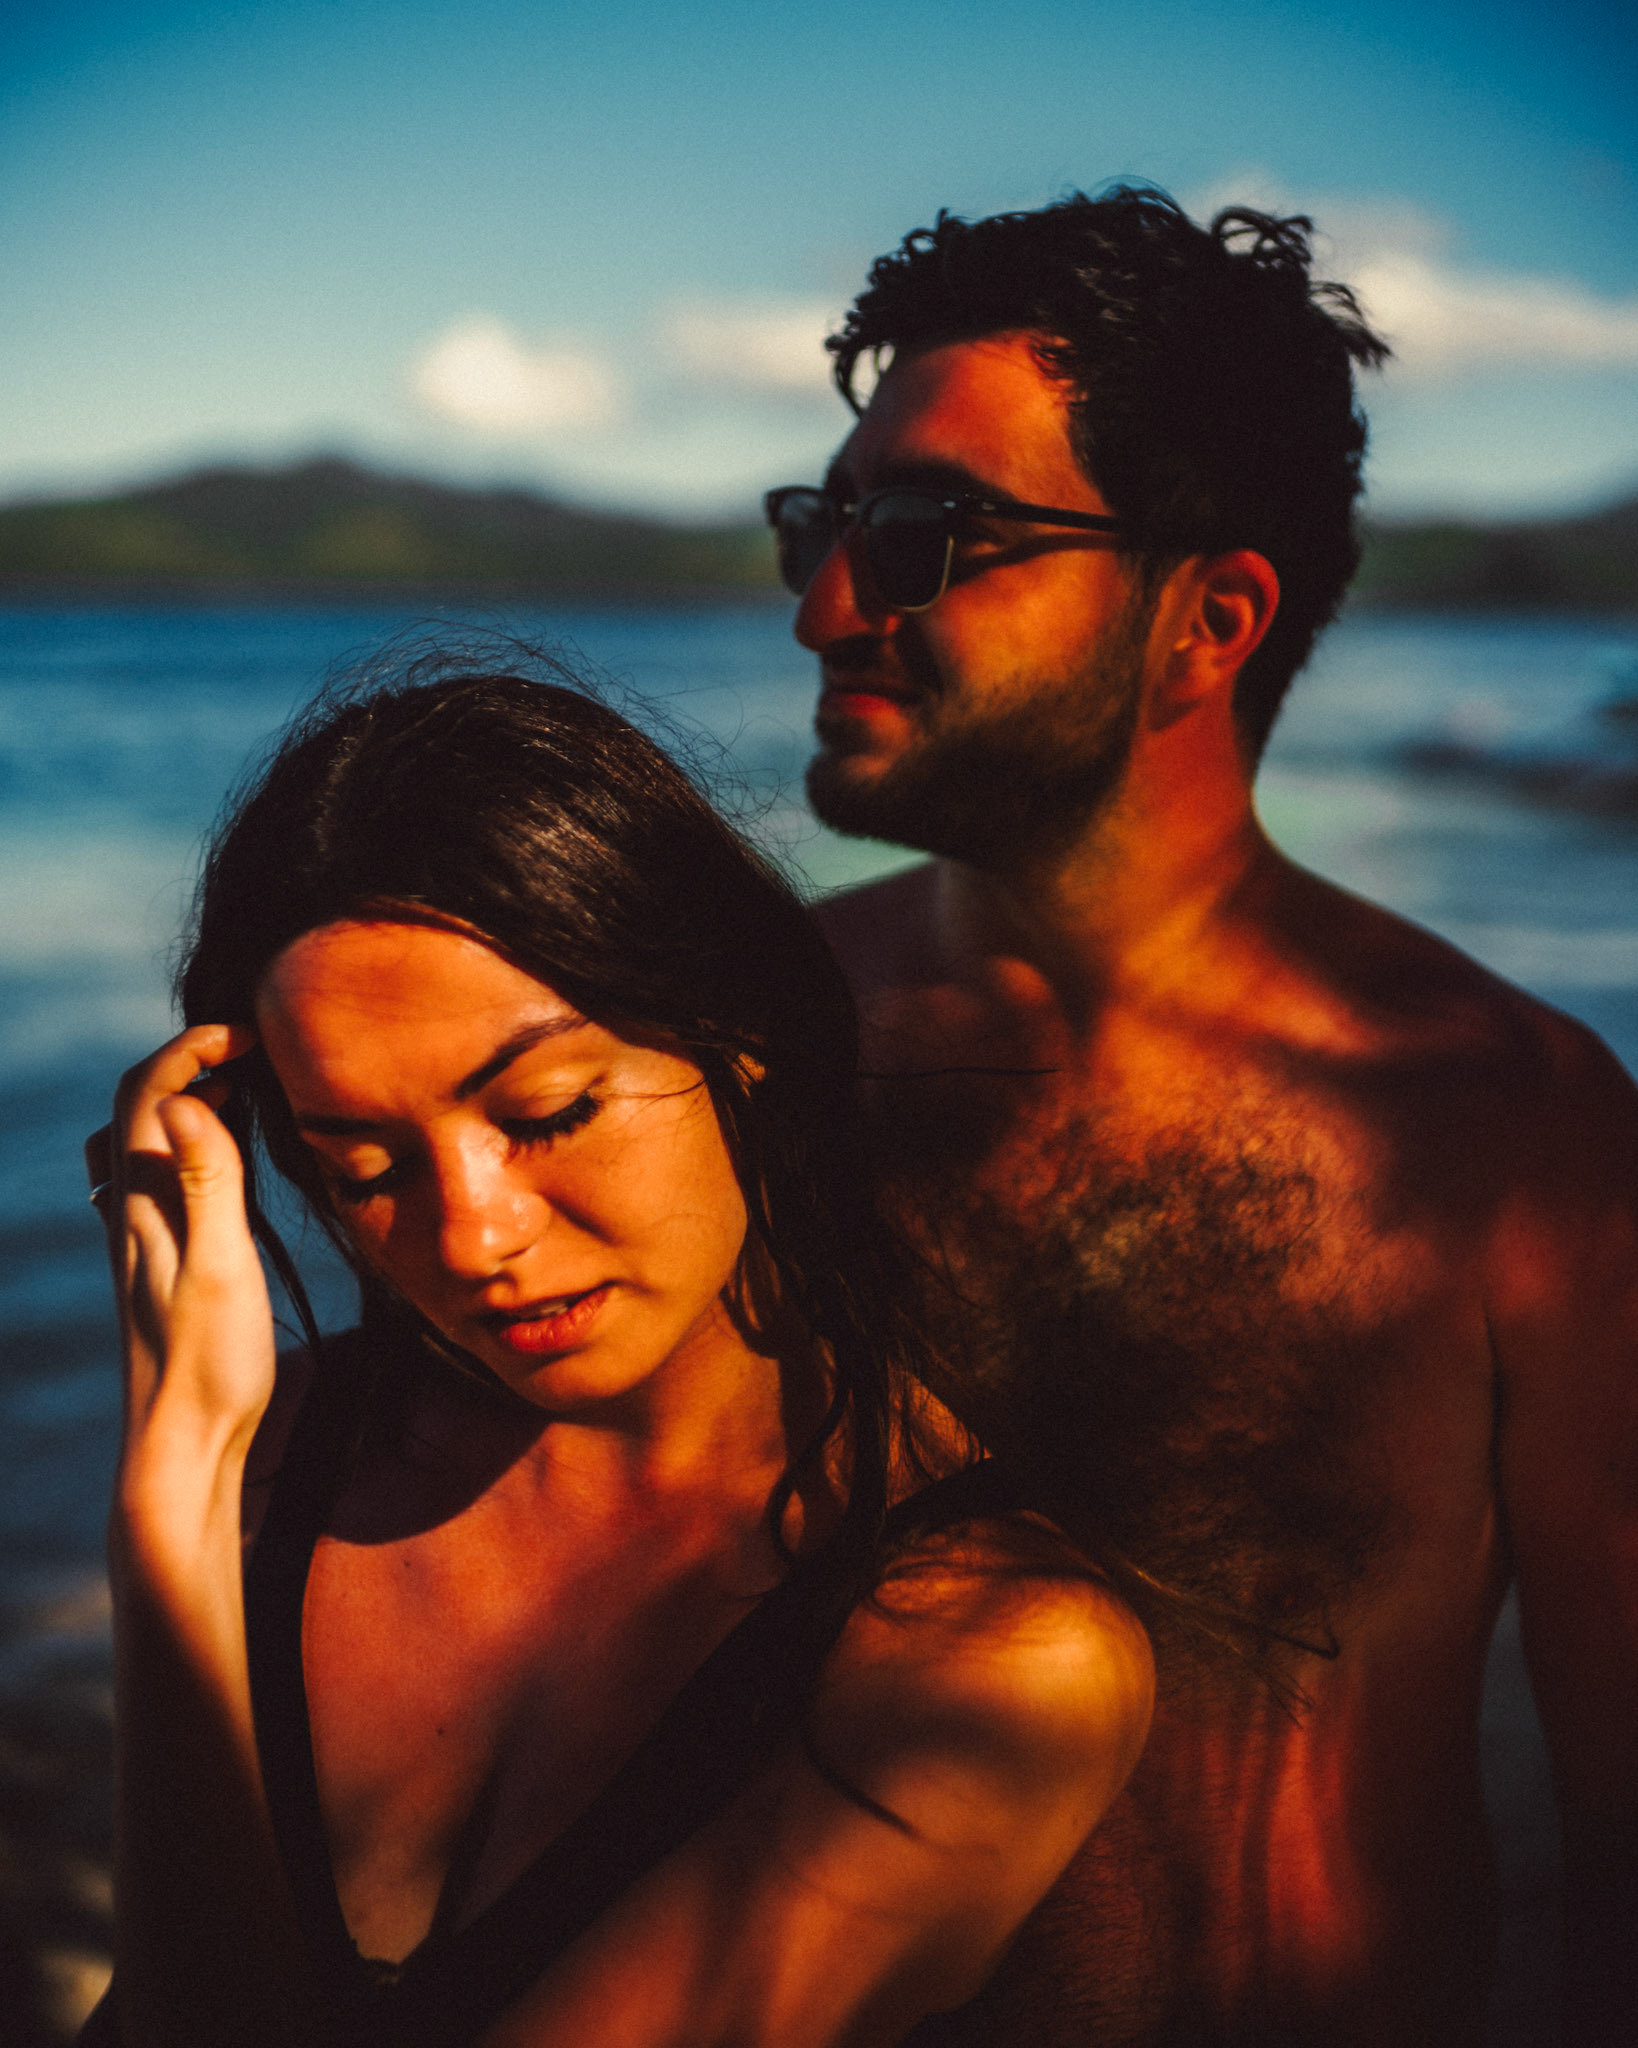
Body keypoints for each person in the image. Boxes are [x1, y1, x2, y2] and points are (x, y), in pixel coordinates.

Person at [768, 187, 1638, 2045]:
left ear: (1206, 618)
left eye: (924, 536)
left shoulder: (1500, 1134)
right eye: (828, 523)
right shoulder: (743, 1056)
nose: (827, 605)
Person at [81, 659, 1154, 2048]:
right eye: (359, 1165)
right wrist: (180, 1476)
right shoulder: (281, 1468)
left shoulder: (979, 1659)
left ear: (740, 1035)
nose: (471, 1237)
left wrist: (167, 1523)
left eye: (547, 1112)